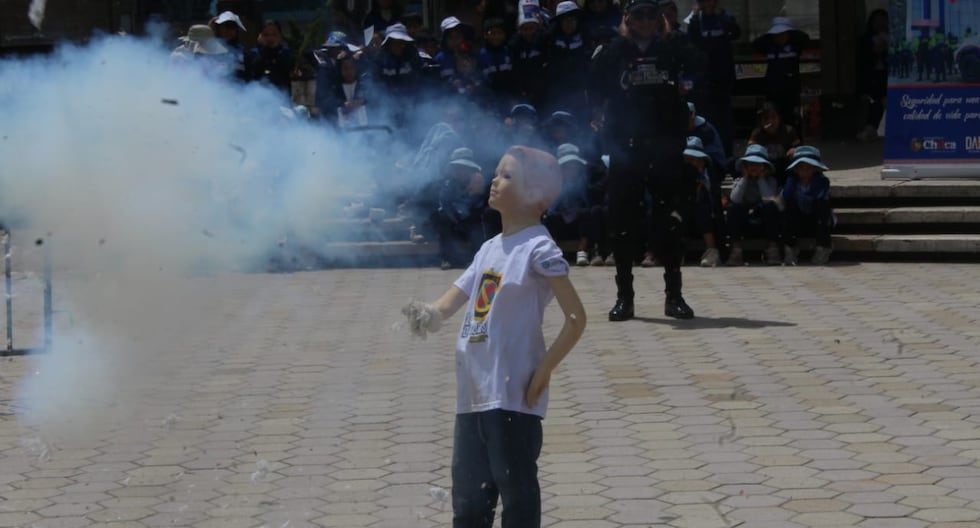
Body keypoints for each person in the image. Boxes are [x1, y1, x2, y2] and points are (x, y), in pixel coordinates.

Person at [401, 145, 586, 528]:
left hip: (513, 395)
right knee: (468, 504)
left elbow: (576, 318)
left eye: (507, 175)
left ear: (539, 196)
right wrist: (428, 314)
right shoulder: (488, 249)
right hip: (473, 394)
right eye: (496, 171)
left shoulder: (538, 247)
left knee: (517, 496)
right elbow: (451, 303)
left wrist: (545, 369)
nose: (495, 180)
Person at [590, 0, 704, 321]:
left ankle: (674, 297)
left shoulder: (671, 46)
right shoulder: (613, 49)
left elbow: (702, 65)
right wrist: (620, 40)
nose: (645, 21)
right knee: (623, 223)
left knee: (670, 220)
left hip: (665, 146)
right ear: (627, 17)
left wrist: (672, 37)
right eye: (638, 15)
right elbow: (593, 83)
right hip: (627, 148)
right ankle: (624, 297)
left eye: (651, 15)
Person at [686, 0, 740, 157]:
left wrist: (721, 15)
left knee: (724, 121)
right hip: (703, 80)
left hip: (723, 78)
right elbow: (691, 39)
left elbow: (735, 32)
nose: (708, 4)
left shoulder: (725, 17)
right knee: (705, 118)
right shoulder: (695, 19)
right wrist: (696, 16)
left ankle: (727, 156)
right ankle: (706, 155)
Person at [725, 144, 782, 266]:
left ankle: (772, 249)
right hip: (744, 222)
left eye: (758, 164)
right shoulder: (739, 181)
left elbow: (768, 199)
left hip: (764, 222)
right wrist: (745, 178)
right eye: (750, 164)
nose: (754, 167)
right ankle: (736, 250)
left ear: (765, 167)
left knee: (771, 207)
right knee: (733, 208)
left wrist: (761, 179)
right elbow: (735, 199)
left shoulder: (771, 181)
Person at [752, 16, 809, 133]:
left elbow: (804, 38)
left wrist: (792, 34)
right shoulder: (769, 46)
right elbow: (756, 44)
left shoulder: (795, 45)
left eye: (783, 33)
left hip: (791, 88)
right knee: (773, 115)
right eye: (777, 34)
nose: (780, 37)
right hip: (773, 88)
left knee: (791, 117)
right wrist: (769, 37)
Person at [780, 146, 834, 266]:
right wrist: (791, 181)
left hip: (817, 221)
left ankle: (823, 247)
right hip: (797, 221)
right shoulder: (792, 181)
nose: (804, 171)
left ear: (815, 169)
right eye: (801, 168)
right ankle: (790, 248)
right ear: (795, 169)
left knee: (822, 204)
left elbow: (818, 197)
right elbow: (786, 196)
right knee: (789, 206)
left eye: (808, 168)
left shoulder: (822, 181)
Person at [543, 143, 593, 265]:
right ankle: (552, 251)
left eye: (574, 166)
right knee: (551, 217)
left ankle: (582, 250)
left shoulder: (585, 181)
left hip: (580, 220)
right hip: (561, 220)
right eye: (567, 166)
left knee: (586, 213)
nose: (571, 169)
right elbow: (551, 208)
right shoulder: (554, 182)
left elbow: (588, 202)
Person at [682, 137, 723, 267]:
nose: (690, 163)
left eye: (693, 159)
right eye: (687, 159)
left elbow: (712, 198)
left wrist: (699, 182)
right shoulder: (678, 174)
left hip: (705, 216)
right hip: (683, 215)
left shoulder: (708, 175)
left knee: (702, 208)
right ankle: (677, 251)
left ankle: (712, 251)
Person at [857, 9, 888, 142]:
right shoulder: (866, 39)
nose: (880, 24)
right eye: (877, 21)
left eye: (883, 20)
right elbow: (863, 60)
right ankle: (870, 129)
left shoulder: (892, 36)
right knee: (875, 102)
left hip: (888, 73)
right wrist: (875, 51)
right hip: (872, 75)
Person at [244, 20, 295, 95]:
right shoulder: (253, 53)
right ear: (260, 36)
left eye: (274, 34)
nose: (270, 38)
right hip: (258, 97)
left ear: (280, 36)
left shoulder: (285, 52)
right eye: (266, 35)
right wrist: (265, 49)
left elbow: (287, 67)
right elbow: (253, 71)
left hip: (282, 97)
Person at [211, 11, 248, 80]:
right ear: (218, 29)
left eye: (231, 27)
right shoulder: (211, 49)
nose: (227, 31)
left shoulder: (242, 51)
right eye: (224, 27)